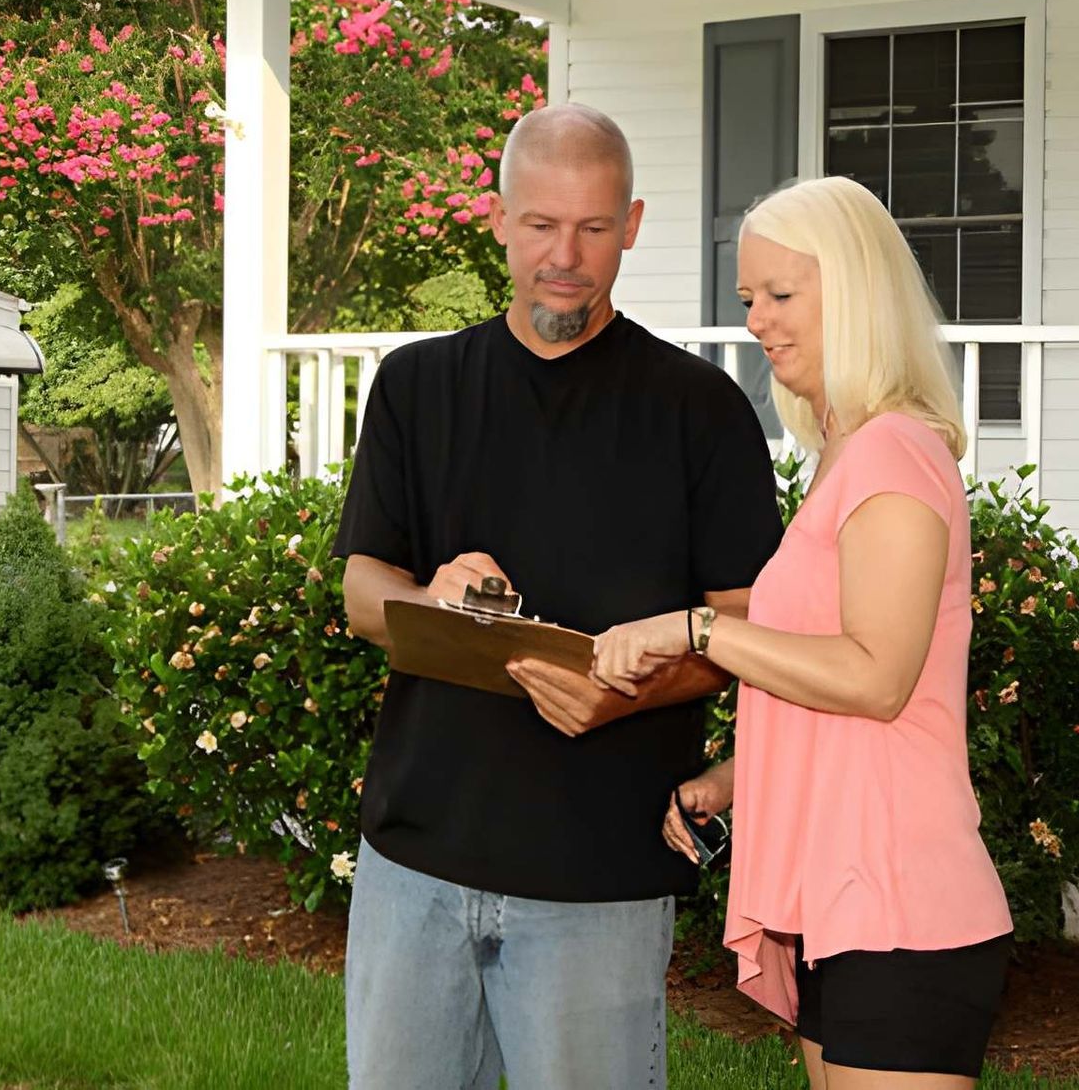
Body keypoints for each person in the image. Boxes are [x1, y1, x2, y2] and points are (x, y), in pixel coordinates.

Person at [333, 103, 782, 1089]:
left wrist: (628, 689)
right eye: (541, 224)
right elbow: (364, 587)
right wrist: (433, 604)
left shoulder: (702, 413)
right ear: (497, 219)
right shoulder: (416, 387)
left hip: (600, 874)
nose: (565, 256)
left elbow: (752, 631)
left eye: (592, 226)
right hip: (417, 862)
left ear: (632, 222)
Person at [592, 175, 1015, 1089]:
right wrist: (733, 780)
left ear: (858, 291)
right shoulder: (846, 458)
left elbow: (877, 679)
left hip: (904, 901)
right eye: (749, 298)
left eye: (783, 295)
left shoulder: (895, 454)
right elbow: (840, 695)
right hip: (847, 902)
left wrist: (701, 630)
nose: (758, 320)